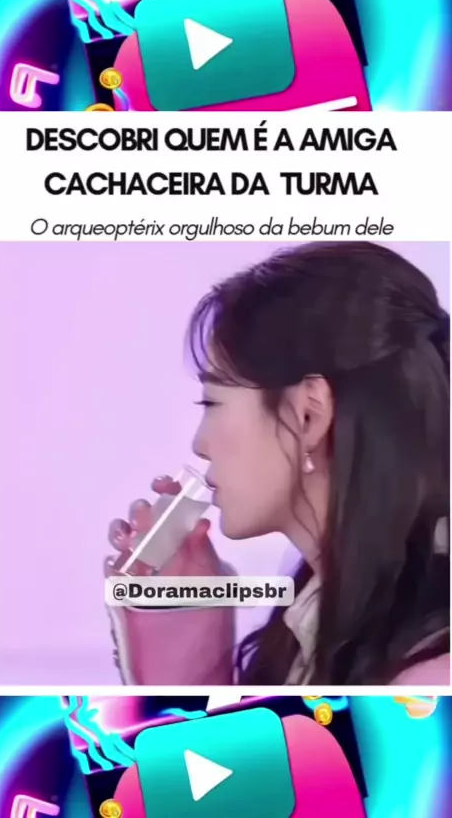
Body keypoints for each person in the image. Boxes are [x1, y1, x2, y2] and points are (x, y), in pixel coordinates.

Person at [105, 241, 450, 686]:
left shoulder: (428, 679)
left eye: (212, 402)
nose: (200, 443)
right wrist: (187, 638)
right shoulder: (317, 627)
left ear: (308, 414)